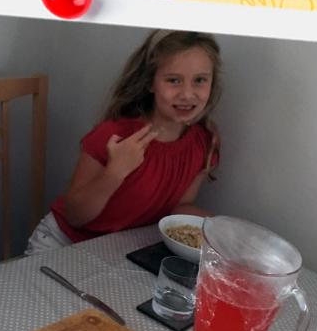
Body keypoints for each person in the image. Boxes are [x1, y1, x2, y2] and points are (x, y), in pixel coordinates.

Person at [27, 30, 222, 254]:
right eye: (173, 80)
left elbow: (179, 209)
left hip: (116, 252)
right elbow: (75, 215)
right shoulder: (115, 135)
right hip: (62, 243)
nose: (188, 94)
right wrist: (115, 171)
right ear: (151, 83)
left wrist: (224, 227)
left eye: (200, 80)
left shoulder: (204, 144)